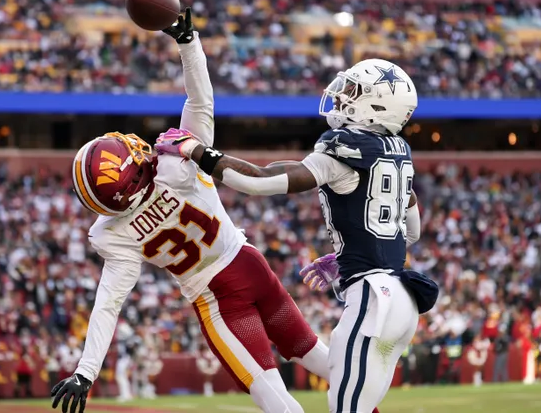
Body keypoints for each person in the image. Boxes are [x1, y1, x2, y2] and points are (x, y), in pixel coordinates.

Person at [50, 8, 330, 413]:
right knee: (325, 360)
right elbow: (200, 100)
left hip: (217, 299)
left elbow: (108, 303)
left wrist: (86, 371)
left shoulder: (112, 231)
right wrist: (188, 42)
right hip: (251, 267)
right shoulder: (173, 162)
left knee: (278, 403)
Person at [157, 58, 439, 412]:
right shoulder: (398, 155)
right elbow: (409, 231)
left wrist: (195, 150)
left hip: (373, 298)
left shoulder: (342, 156)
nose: (341, 95)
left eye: (354, 90)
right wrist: (352, 253)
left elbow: (258, 182)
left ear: (377, 105)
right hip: (402, 301)